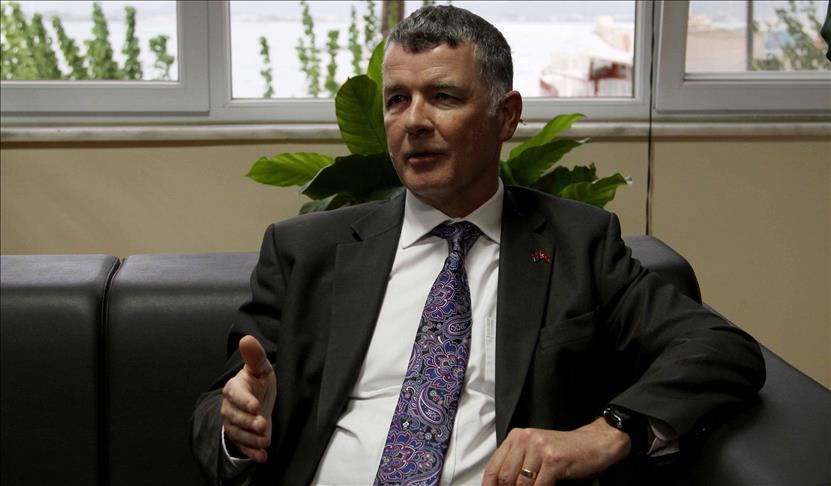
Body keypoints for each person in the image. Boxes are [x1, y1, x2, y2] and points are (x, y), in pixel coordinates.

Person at [191, 6, 765, 485]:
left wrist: (607, 431)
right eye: (397, 100)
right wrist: (237, 423)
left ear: (505, 116)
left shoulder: (579, 244)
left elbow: (719, 348)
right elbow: (222, 404)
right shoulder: (305, 250)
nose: (413, 122)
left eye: (443, 96)